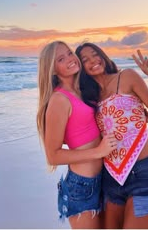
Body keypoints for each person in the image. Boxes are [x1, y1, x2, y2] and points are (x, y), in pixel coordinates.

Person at [75, 42, 148, 229]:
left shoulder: (127, 76)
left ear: (102, 55)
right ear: (81, 68)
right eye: (85, 60)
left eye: (95, 54)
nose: (93, 61)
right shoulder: (89, 97)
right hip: (111, 176)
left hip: (144, 174)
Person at [36, 41, 117, 229]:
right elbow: (53, 156)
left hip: (106, 177)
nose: (71, 59)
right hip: (82, 187)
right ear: (53, 69)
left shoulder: (83, 90)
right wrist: (98, 152)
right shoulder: (59, 99)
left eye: (70, 53)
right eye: (61, 59)